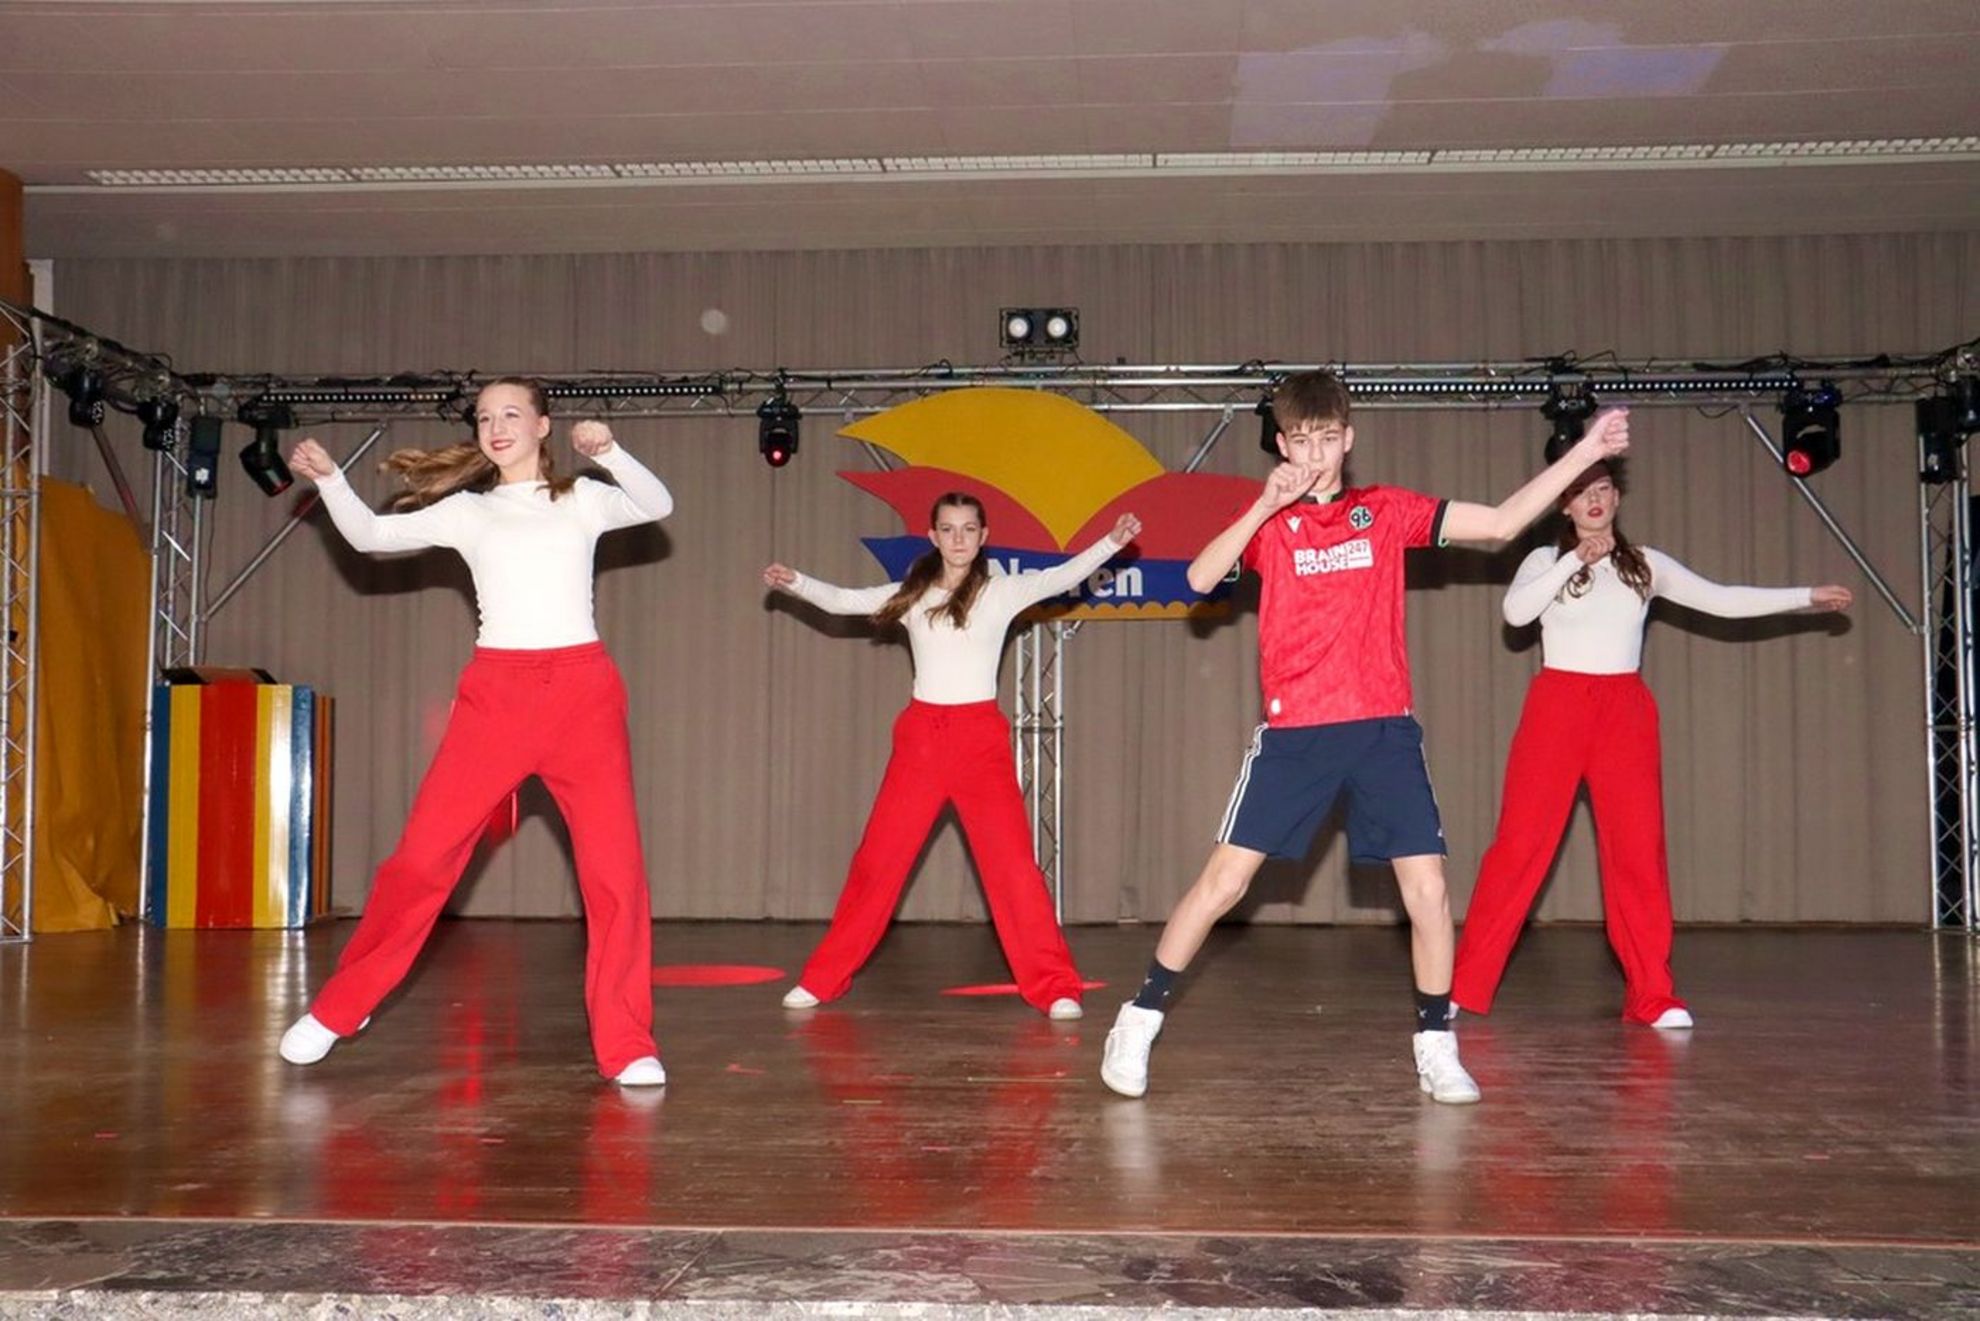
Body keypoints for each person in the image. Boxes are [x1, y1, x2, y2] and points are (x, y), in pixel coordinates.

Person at [1099, 369, 1629, 1106]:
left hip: (1382, 730)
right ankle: (1138, 1018)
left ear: (1347, 439)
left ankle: (1436, 1044)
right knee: (1224, 883)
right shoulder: (1268, 525)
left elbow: (1503, 523)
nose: (1315, 453)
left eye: (1327, 438)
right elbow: (1198, 577)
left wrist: (1587, 452)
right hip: (1296, 733)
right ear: (1282, 445)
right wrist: (1264, 504)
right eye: (1300, 440)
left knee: (1429, 890)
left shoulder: (1385, 512)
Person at [277, 377, 675, 1087]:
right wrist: (332, 479)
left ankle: (627, 1041)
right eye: (486, 417)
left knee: (615, 874)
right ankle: (342, 1007)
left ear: (543, 426)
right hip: (497, 696)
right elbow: (370, 537)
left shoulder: (582, 499)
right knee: (420, 860)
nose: (496, 426)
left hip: (583, 696)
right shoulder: (468, 511)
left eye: (512, 413)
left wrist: (610, 453)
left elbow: (657, 504)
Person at [1452, 461, 1851, 1027]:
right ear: (1564, 505)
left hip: (1625, 712)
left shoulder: (1645, 564)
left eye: (1602, 489)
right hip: (1558, 708)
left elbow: (1721, 599)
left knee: (1638, 853)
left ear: (1617, 497)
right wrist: (1573, 560)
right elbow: (1515, 613)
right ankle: (1464, 987)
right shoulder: (1544, 560)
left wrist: (1805, 596)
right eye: (1580, 492)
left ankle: (1652, 995)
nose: (1593, 500)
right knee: (1519, 848)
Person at [764, 493, 1139, 1019]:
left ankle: (1055, 985)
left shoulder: (1001, 592)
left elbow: (1061, 577)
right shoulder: (912, 595)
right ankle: (822, 979)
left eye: (968, 529)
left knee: (1013, 869)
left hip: (979, 741)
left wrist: (1111, 543)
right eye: (948, 528)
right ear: (933, 536)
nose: (958, 538)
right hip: (921, 740)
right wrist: (797, 582)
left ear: (983, 536)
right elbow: (844, 601)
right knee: (877, 863)